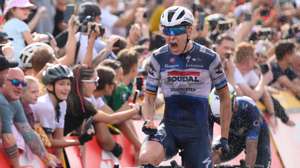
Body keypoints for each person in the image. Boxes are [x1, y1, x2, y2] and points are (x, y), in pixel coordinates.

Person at [139, 6, 232, 168]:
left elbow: (225, 97)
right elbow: (149, 97)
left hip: (198, 132)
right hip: (170, 127)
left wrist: (224, 137)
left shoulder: (209, 58)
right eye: (166, 31)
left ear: (189, 31)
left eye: (176, 31)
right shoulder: (157, 58)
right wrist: (148, 120)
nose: (171, 38)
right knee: (146, 158)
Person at [0, 56, 59, 167]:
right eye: (15, 82)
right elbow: (7, 138)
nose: (20, 87)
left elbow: (28, 132)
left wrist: (45, 157)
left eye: (23, 84)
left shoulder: (14, 101)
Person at [209, 85, 271, 168]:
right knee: (209, 158)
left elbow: (251, 148)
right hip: (233, 134)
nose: (223, 119)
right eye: (218, 118)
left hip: (257, 135)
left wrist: (248, 166)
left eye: (226, 114)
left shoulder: (248, 108)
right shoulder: (210, 110)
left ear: (234, 105)